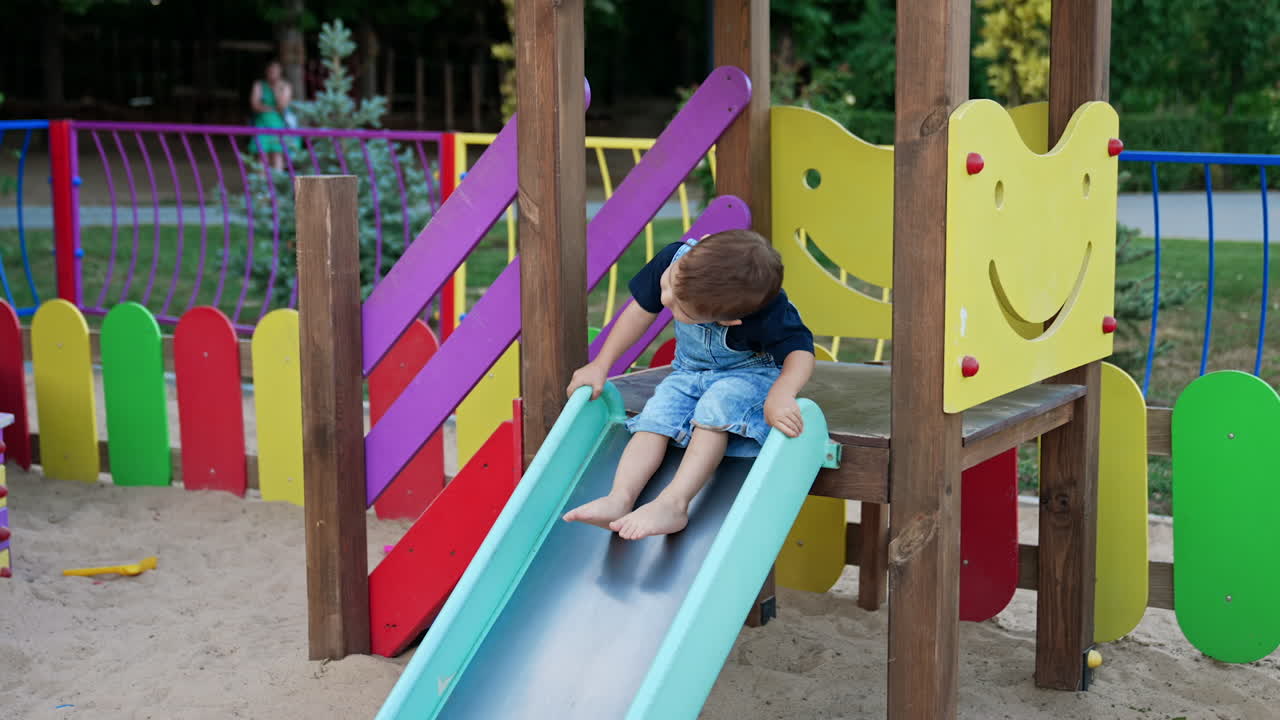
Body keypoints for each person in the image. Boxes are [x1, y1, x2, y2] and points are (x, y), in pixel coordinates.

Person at [563, 229, 816, 540]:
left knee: (717, 406)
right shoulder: (679, 261)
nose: (666, 296)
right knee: (657, 414)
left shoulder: (767, 314)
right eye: (670, 283)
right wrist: (601, 365)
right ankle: (619, 498)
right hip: (688, 371)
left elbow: (800, 351)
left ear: (727, 321)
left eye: (681, 309)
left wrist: (781, 394)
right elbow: (640, 312)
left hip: (750, 375)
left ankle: (674, 504)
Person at [250, 60, 294, 172]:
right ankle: (261, 185)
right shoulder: (259, 85)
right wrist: (271, 109)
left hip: (279, 123)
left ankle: (277, 184)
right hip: (262, 123)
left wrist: (276, 90)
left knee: (277, 155)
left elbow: (282, 106)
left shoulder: (285, 86)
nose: (273, 73)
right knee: (262, 155)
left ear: (280, 72)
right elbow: (255, 105)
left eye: (275, 71)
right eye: (271, 71)